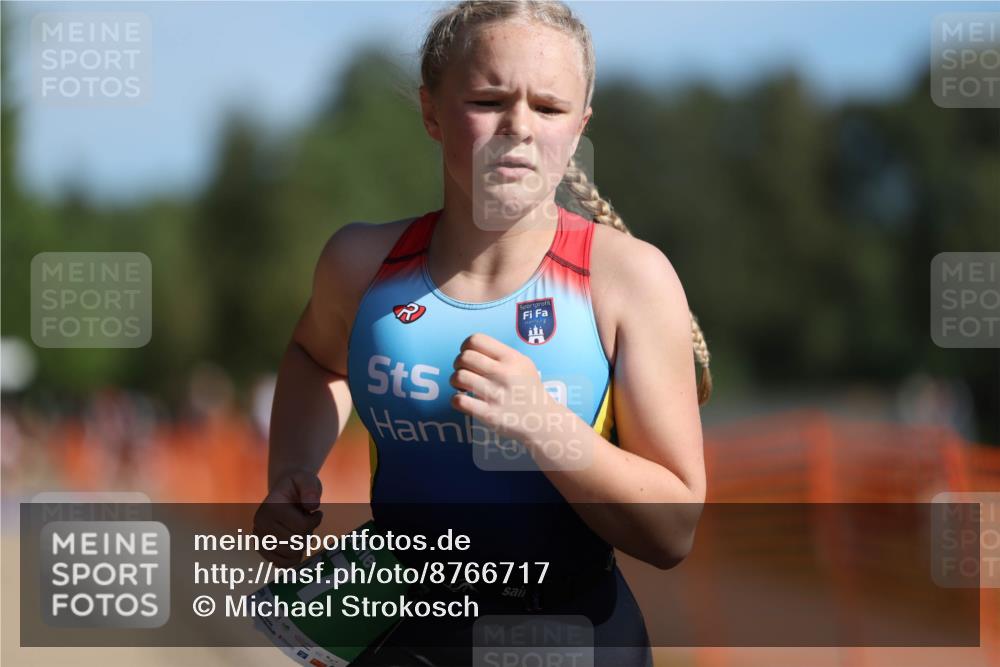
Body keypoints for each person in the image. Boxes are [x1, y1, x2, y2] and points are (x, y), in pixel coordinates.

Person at [254, 1, 709, 664]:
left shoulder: (628, 278)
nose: (518, 128)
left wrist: (543, 425)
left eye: (549, 108)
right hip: (400, 628)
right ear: (432, 111)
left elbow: (673, 530)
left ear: (580, 125)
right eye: (489, 99)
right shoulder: (360, 264)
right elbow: (313, 355)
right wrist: (291, 470)